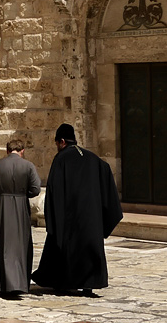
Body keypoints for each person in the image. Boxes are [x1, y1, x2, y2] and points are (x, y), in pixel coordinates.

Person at [30, 123, 123, 296]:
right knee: (89, 249)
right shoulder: (93, 158)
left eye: (57, 143)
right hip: (91, 217)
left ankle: (62, 282)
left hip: (71, 217)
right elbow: (106, 171)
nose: (57, 147)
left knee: (66, 248)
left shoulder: (61, 159)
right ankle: (89, 285)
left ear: (62, 141)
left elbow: (54, 190)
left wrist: (54, 217)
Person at [0, 139, 41, 296]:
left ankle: (0, 282)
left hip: (2, 206)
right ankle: (20, 282)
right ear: (22, 151)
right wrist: (22, 195)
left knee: (0, 242)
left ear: (7, 151)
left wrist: (2, 193)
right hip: (21, 206)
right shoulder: (28, 166)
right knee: (21, 243)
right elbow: (36, 189)